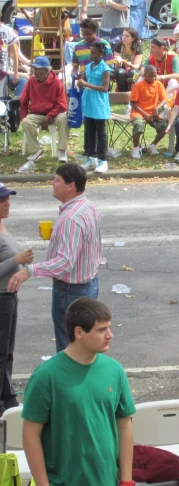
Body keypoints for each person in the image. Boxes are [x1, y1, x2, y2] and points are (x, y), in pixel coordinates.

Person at [22, 298, 135, 486]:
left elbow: (125, 425)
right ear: (79, 332)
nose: (110, 335)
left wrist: (125, 484)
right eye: (102, 329)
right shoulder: (46, 376)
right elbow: (30, 435)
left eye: (109, 327)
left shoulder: (114, 370)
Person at [7, 164, 105, 351]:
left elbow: (65, 263)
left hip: (71, 291)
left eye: (57, 180)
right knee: (83, 346)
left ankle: (69, 379)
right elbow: (85, 243)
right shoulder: (88, 207)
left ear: (71, 185)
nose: (52, 183)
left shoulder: (70, 218)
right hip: (89, 284)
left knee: (70, 348)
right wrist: (58, 235)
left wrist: (29, 271)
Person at [0, 184, 32, 417]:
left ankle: (8, 398)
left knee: (8, 351)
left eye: (8, 199)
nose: (7, 203)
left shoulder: (3, 226)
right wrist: (17, 260)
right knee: (1, 353)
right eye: (2, 201)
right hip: (1, 298)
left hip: (9, 297)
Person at [20, 56, 69, 164]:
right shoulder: (31, 81)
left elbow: (62, 105)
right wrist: (24, 116)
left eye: (38, 69)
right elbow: (23, 101)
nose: (35, 72)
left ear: (47, 70)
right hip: (36, 113)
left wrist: (49, 116)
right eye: (34, 69)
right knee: (26, 122)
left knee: (64, 118)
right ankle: (36, 150)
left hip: (54, 113)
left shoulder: (57, 82)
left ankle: (62, 150)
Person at [77, 42, 112, 174]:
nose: (90, 55)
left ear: (101, 54)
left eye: (93, 53)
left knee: (101, 132)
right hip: (88, 101)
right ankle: (92, 157)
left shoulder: (105, 69)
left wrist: (86, 84)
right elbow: (84, 80)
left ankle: (103, 159)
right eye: (90, 52)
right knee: (89, 131)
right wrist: (80, 82)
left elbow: (104, 88)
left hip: (99, 102)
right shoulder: (88, 66)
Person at [129, 65, 168, 159]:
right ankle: (135, 148)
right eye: (151, 76)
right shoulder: (138, 85)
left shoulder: (158, 84)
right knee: (139, 124)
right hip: (139, 112)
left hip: (153, 113)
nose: (153, 78)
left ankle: (153, 145)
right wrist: (145, 114)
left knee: (165, 126)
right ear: (145, 75)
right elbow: (133, 103)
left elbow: (165, 99)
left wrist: (156, 108)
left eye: (155, 75)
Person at [0, 23, 28, 97]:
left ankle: (15, 103)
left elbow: (25, 60)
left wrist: (35, 60)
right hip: (6, 73)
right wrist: (20, 74)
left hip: (4, 73)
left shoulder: (7, 31)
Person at [112, 27, 142, 92]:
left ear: (133, 38)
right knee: (121, 72)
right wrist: (119, 63)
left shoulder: (138, 49)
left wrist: (129, 64)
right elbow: (118, 67)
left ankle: (132, 93)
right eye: (123, 35)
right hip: (121, 68)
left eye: (127, 36)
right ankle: (122, 95)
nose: (124, 37)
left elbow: (136, 66)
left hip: (134, 68)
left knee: (133, 72)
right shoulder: (119, 46)